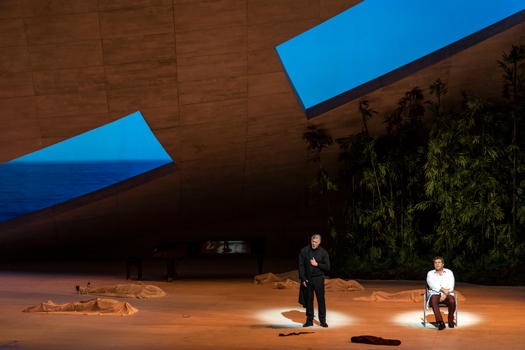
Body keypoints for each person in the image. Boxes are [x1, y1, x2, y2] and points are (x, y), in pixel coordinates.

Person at [298, 234, 330, 327]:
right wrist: (303, 278)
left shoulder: (323, 252)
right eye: (312, 241)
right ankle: (309, 321)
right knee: (309, 300)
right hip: (308, 279)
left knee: (321, 300)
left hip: (319, 279)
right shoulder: (304, 251)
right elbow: (301, 265)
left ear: (319, 242)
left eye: (316, 242)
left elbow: (327, 267)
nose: (313, 243)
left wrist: (317, 264)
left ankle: (323, 321)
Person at [426, 256, 456, 330]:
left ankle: (450, 319)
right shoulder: (430, 273)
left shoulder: (449, 272)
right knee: (433, 300)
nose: (437, 264)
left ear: (443, 264)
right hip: (434, 294)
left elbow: (451, 285)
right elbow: (432, 285)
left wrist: (445, 294)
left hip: (447, 294)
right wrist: (442, 289)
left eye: (439, 262)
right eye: (435, 263)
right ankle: (440, 322)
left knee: (452, 301)